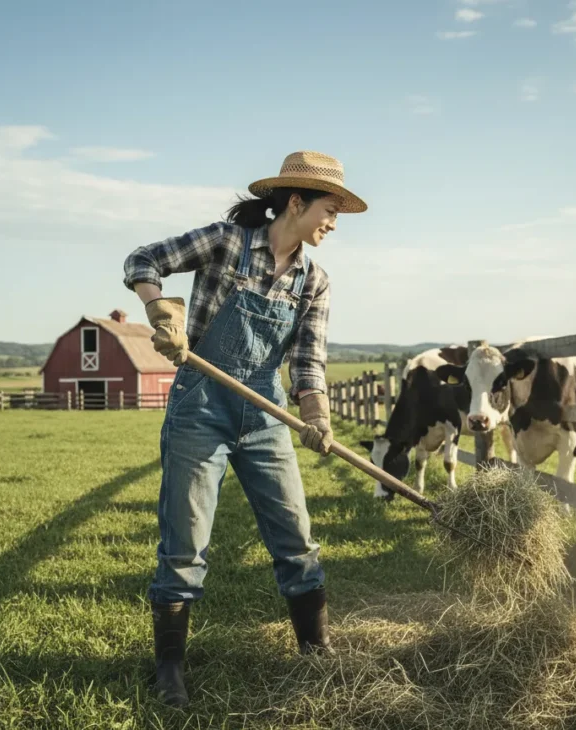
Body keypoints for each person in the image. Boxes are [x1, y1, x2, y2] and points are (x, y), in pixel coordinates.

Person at [122, 150, 367, 707]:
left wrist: (317, 418)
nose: (333, 223)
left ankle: (316, 649)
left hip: (263, 414)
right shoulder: (226, 242)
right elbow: (143, 258)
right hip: (200, 407)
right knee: (185, 541)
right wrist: (160, 309)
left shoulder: (314, 279)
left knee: (295, 536)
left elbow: (308, 361)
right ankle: (169, 671)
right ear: (296, 202)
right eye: (330, 210)